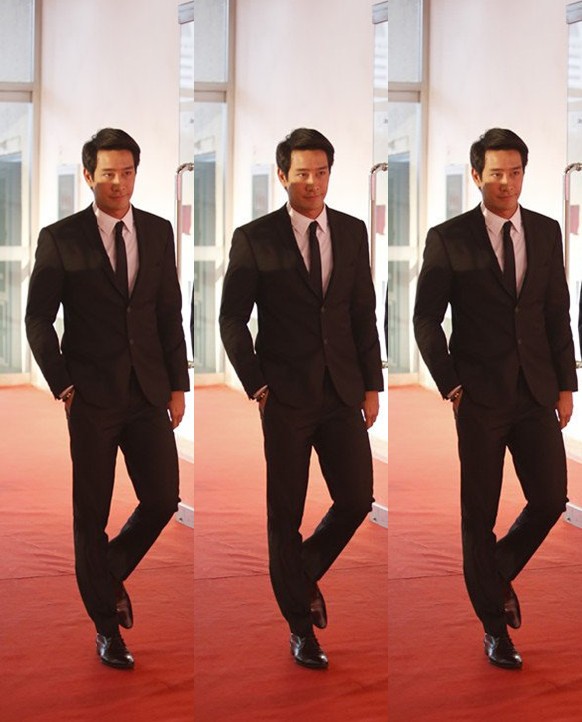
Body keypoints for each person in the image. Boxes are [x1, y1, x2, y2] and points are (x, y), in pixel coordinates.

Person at [25, 128, 190, 670]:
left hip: (147, 393)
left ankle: (106, 573)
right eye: (108, 173)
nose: (118, 182)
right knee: (91, 513)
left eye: (127, 172)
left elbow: (168, 313)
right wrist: (64, 385)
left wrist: (177, 385)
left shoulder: (158, 232)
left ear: (136, 173)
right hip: (91, 397)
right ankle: (106, 629)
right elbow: (38, 319)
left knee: (162, 498)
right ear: (89, 175)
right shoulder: (61, 238)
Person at [219, 128, 383, 669]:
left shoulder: (353, 232)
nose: (312, 182)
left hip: (341, 392)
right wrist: (258, 384)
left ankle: (298, 574)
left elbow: (362, 313)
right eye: (302, 173)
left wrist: (371, 385)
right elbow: (231, 319)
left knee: (356, 498)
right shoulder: (255, 238)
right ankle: (300, 630)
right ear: (283, 175)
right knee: (285, 511)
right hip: (285, 397)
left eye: (321, 172)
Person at [414, 127, 577, 670]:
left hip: (535, 392)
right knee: (479, 512)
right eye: (496, 173)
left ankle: (493, 575)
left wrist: (565, 385)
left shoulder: (547, 232)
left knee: (551, 499)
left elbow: (556, 314)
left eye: (515, 171)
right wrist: (452, 384)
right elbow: (425, 318)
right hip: (479, 397)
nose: (506, 182)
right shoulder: (449, 238)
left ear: (524, 173)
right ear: (477, 174)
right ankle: (495, 630)